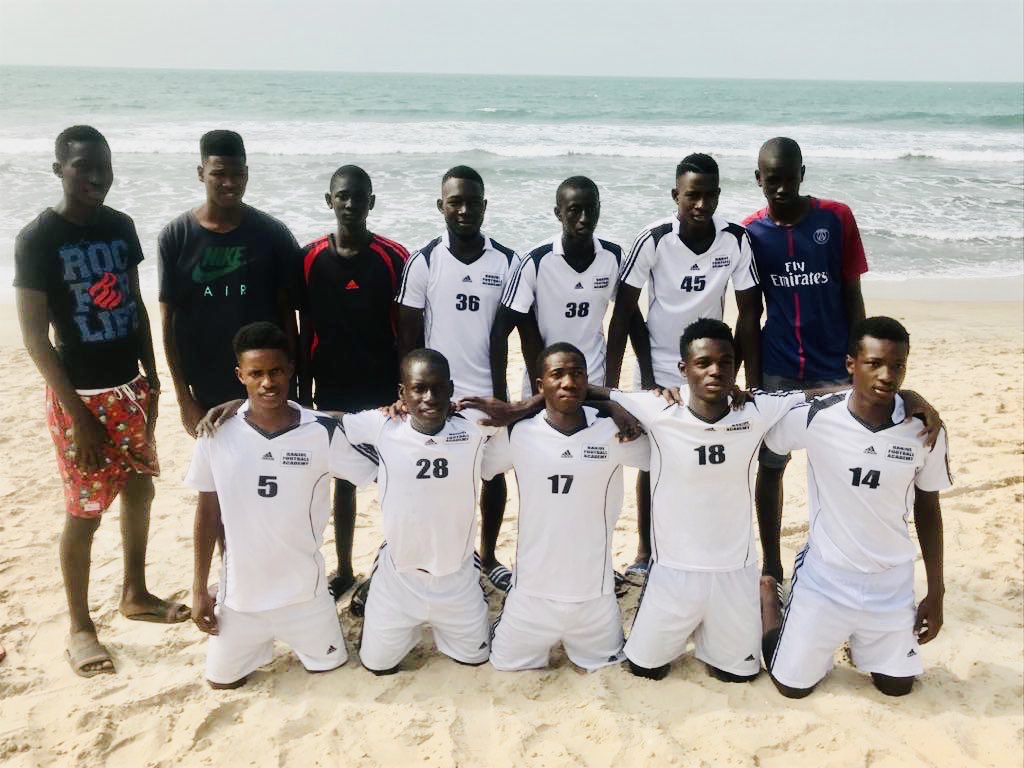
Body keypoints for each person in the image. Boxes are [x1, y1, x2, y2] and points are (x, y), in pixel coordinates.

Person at [15, 125, 188, 678]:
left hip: (128, 388)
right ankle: (80, 627)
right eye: (83, 167)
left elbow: (134, 304)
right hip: (80, 397)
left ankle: (135, 593)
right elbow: (36, 339)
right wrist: (78, 417)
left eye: (104, 168)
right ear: (58, 170)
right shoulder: (38, 239)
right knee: (84, 511)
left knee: (139, 488)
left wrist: (151, 379)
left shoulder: (120, 226)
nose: (96, 178)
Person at [762, 317, 950, 697]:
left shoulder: (925, 429)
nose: (887, 376)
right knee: (790, 688)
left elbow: (929, 508)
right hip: (824, 580)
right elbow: (767, 457)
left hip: (890, 584)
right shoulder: (817, 417)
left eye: (897, 366)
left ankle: (860, 639)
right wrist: (771, 560)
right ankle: (769, 600)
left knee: (897, 688)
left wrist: (936, 590)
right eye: (874, 364)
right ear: (851, 364)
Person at [187, 322, 377, 689]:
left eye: (275, 371)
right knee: (222, 684)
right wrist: (198, 589)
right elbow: (206, 514)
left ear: (290, 370)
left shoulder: (321, 432)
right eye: (255, 374)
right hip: (242, 600)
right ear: (240, 375)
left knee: (329, 670)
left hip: (305, 598)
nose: (267, 383)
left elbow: (381, 471)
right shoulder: (216, 433)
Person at [605, 153, 762, 580]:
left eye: (709, 195)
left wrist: (741, 380)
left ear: (719, 195)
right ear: (676, 195)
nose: (701, 204)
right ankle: (644, 550)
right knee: (651, 459)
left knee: (707, 455)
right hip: (658, 365)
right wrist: (618, 389)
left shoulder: (735, 240)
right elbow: (623, 314)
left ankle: (698, 546)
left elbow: (750, 314)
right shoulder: (654, 239)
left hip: (708, 369)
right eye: (692, 195)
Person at [744, 137, 869, 594]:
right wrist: (753, 384)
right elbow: (748, 312)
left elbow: (852, 295)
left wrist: (860, 363)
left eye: (788, 178)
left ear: (802, 173)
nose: (780, 188)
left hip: (834, 366)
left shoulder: (836, 218)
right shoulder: (750, 233)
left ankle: (838, 557)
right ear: (758, 179)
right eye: (771, 180)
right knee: (772, 464)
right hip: (779, 368)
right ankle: (772, 565)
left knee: (839, 465)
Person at [479, 343, 650, 672]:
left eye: (577, 374)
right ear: (540, 386)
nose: (568, 382)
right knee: (502, 664)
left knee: (610, 667)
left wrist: (613, 406)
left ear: (588, 381)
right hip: (531, 597)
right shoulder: (519, 433)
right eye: (557, 375)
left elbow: (663, 448)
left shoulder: (613, 432)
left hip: (594, 600)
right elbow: (479, 466)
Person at [396, 166, 519, 592]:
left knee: (492, 476)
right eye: (455, 202)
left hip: (487, 393)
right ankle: (445, 558)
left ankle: (489, 556)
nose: (464, 210)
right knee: (441, 482)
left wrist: (503, 396)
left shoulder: (507, 261)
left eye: (472, 202)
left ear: (485, 206)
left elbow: (509, 334)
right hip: (437, 397)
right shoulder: (424, 260)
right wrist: (410, 396)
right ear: (441, 206)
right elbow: (407, 337)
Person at [339, 349, 498, 674]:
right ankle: (373, 592)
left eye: (438, 388)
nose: (429, 397)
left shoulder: (475, 425)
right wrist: (247, 408)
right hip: (400, 577)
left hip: (456, 575)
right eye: (419, 389)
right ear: (402, 392)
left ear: (451, 389)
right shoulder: (382, 425)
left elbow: (529, 411)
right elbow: (328, 420)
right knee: (378, 667)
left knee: (476, 659)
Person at [296, 164, 409, 599]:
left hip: (382, 387)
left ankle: (394, 568)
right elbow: (302, 327)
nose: (350, 204)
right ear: (329, 200)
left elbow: (408, 329)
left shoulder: (394, 257)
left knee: (394, 479)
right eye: (342, 196)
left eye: (358, 196)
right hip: (332, 386)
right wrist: (303, 393)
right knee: (342, 481)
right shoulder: (308, 258)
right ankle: (344, 569)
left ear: (371, 202)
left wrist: (403, 391)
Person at [159, 129, 299, 437]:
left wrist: (291, 383)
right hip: (206, 383)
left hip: (266, 384)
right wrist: (183, 398)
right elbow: (168, 323)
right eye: (219, 174)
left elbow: (289, 314)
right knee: (219, 465)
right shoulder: (176, 237)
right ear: (201, 173)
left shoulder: (273, 235)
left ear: (247, 174)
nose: (229, 183)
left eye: (237, 174)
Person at [491, 176, 621, 398]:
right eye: (574, 210)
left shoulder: (614, 256)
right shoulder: (536, 261)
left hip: (593, 377)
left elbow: (628, 319)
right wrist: (501, 396)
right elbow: (500, 331)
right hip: (546, 382)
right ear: (558, 213)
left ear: (599, 209)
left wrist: (612, 387)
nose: (584, 218)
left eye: (591, 209)